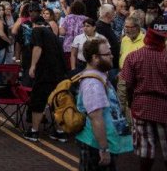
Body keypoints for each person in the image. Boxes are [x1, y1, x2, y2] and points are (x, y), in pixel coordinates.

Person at [76, 39, 133, 171]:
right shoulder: (92, 84)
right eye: (107, 54)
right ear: (95, 58)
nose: (112, 56)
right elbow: (96, 117)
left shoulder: (100, 76)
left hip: (103, 142)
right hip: (95, 146)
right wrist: (104, 148)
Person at [120, 22, 167, 171]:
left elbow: (127, 84)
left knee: (145, 148)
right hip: (164, 106)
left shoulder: (134, 57)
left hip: (141, 105)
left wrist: (131, 102)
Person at [25, 25, 68, 142]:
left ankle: (34, 131)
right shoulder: (53, 37)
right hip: (59, 74)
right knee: (57, 102)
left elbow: (37, 47)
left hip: (45, 73)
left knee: (38, 100)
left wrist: (33, 66)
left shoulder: (37, 30)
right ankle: (60, 132)